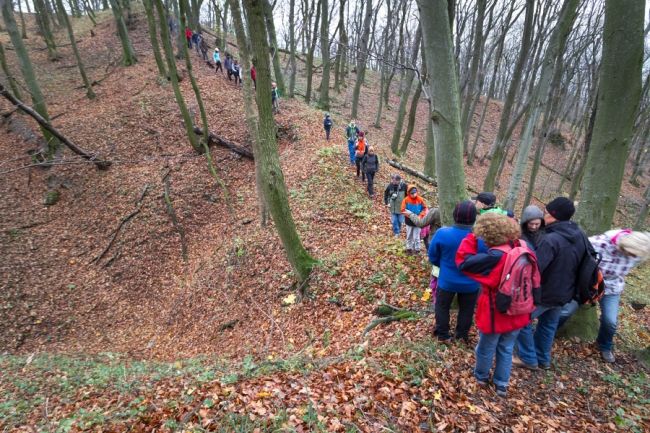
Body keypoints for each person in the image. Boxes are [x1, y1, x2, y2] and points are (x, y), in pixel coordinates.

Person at [456, 213, 536, 397]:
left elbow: (463, 262)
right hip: (519, 309)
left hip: (496, 311)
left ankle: (481, 377)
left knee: (486, 346)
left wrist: (471, 236)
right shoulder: (522, 247)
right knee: (507, 347)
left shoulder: (495, 257)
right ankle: (501, 384)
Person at [513, 197, 586, 370]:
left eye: (546, 211)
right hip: (565, 292)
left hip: (545, 293)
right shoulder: (579, 235)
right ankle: (543, 359)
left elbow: (535, 268)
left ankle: (528, 358)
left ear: (554, 216)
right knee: (548, 325)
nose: (544, 214)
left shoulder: (550, 240)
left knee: (520, 320)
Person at [558, 230, 650, 363]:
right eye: (630, 253)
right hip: (588, 284)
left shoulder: (639, 253)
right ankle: (545, 333)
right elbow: (578, 254)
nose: (631, 257)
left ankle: (604, 345)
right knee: (565, 311)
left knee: (610, 321)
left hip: (612, 288)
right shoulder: (600, 242)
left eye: (633, 255)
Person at [428, 201, 484, 343]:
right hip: (471, 283)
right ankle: (461, 336)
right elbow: (485, 260)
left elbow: (433, 256)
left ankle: (443, 335)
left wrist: (445, 266)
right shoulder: (481, 238)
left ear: (455, 215)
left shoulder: (442, 233)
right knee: (467, 310)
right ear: (474, 217)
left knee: (442, 306)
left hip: (447, 280)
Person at [401, 186, 427, 255]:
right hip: (409, 221)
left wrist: (420, 215)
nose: (413, 194)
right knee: (409, 236)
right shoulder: (406, 200)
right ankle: (409, 248)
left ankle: (417, 249)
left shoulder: (420, 199)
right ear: (409, 193)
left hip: (418, 221)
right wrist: (410, 215)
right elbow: (403, 210)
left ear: (416, 192)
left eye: (415, 193)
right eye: (412, 193)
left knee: (416, 237)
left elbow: (424, 209)